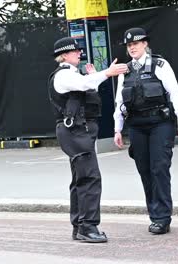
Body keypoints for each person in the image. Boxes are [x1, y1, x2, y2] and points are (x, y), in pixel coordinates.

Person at [48, 37, 128, 242]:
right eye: (75, 51)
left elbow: (87, 89)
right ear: (64, 55)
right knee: (90, 178)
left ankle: (79, 226)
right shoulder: (64, 75)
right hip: (75, 132)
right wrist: (106, 73)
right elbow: (84, 84)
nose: (79, 54)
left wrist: (96, 76)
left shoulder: (74, 74)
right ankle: (87, 227)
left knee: (80, 179)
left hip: (78, 131)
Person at [113, 27, 178, 234]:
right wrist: (117, 129)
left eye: (136, 43)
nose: (132, 47)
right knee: (144, 170)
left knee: (159, 168)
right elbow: (120, 101)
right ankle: (154, 214)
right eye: (129, 45)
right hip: (137, 126)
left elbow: (176, 93)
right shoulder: (125, 70)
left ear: (145, 44)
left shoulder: (159, 65)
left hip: (160, 124)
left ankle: (162, 217)